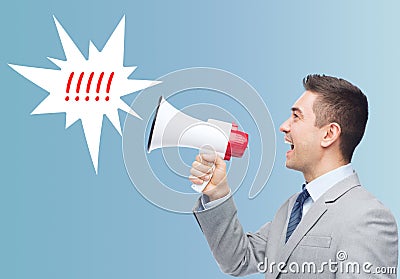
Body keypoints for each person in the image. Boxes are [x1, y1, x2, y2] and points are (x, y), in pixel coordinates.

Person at [190, 74, 398, 278]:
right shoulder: (290, 210)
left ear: (329, 134)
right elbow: (239, 260)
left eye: (296, 116)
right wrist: (218, 193)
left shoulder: (368, 218)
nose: (284, 126)